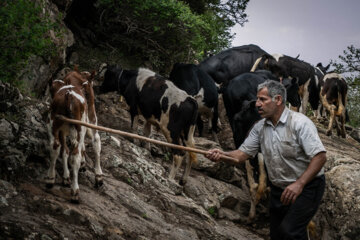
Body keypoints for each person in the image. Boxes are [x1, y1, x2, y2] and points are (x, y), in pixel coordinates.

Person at [206, 80, 326, 240]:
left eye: (263, 99)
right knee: (277, 235)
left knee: (290, 231)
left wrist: (299, 184)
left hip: (307, 187)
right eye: (257, 99)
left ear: (278, 100)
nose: (257, 104)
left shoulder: (300, 123)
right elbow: (241, 155)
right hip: (279, 189)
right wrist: (221, 155)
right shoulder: (259, 127)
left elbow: (320, 156)